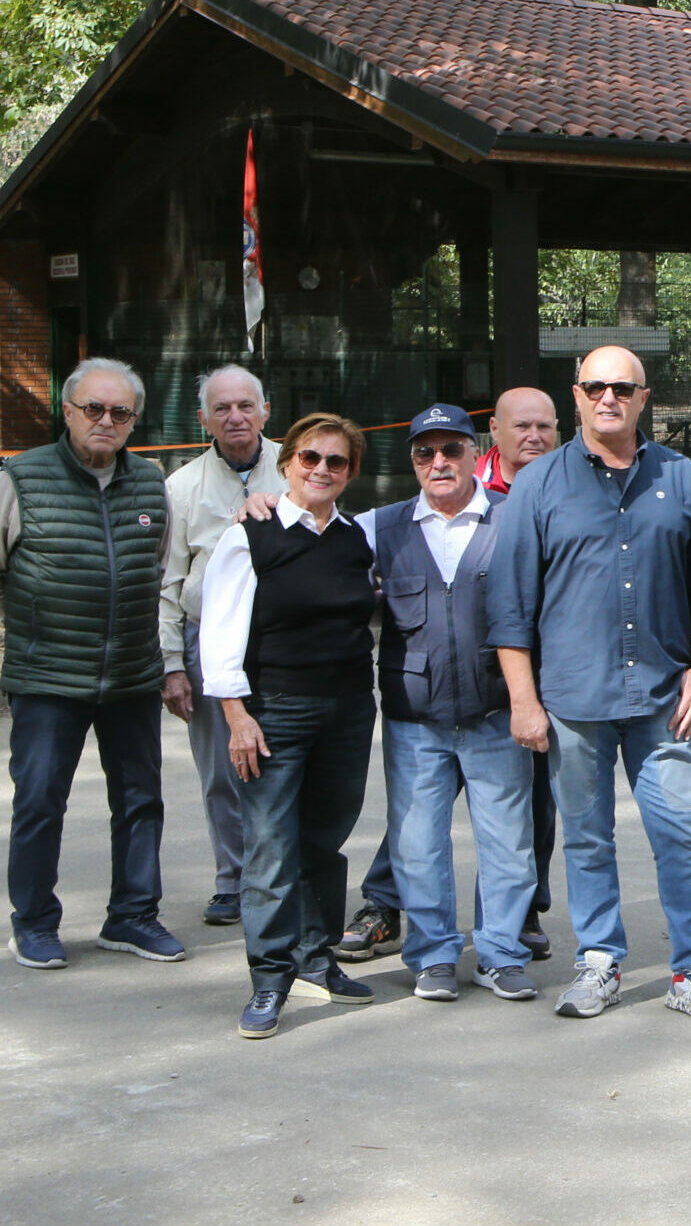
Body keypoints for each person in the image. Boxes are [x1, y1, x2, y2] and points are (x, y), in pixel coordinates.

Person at [486, 347, 691, 1023]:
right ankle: (599, 962)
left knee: (681, 832)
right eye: (595, 386)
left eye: (622, 387)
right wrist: (523, 701)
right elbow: (510, 606)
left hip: (664, 698)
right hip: (573, 698)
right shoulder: (539, 486)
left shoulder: (678, 477)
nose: (608, 397)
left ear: (643, 396)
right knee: (587, 837)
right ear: (576, 395)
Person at [0, 358, 183, 972]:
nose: (105, 421)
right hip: (47, 678)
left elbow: (158, 568)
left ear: (134, 420)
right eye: (94, 409)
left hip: (132, 675)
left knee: (140, 799)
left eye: (120, 412)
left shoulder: (149, 482)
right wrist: (37, 621)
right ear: (67, 411)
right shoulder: (22, 479)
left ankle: (133, 916)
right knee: (39, 801)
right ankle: (33, 922)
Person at [347, 387, 560, 963]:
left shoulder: (516, 519)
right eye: (425, 453)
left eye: (451, 450)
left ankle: (501, 955)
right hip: (414, 721)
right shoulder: (376, 527)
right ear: (413, 462)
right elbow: (309, 540)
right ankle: (434, 956)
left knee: (509, 846)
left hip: (496, 714)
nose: (438, 463)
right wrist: (265, 508)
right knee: (417, 849)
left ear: (475, 453)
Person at [198, 413, 382, 1039]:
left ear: (350, 472)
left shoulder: (358, 537)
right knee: (271, 844)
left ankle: (316, 956)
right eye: (310, 458)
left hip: (350, 709)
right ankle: (269, 977)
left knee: (323, 839)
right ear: (287, 464)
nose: (322, 470)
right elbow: (218, 632)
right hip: (275, 710)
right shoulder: (251, 534)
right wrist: (237, 715)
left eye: (336, 462)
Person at [155, 365, 286, 929]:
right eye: (222, 408)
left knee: (283, 760)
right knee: (222, 769)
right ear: (203, 419)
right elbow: (165, 582)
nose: (235, 417)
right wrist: (171, 665)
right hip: (207, 640)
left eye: (245, 406)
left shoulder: (300, 464)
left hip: (284, 642)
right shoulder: (181, 487)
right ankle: (232, 880)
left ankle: (282, 875)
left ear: (264, 411)